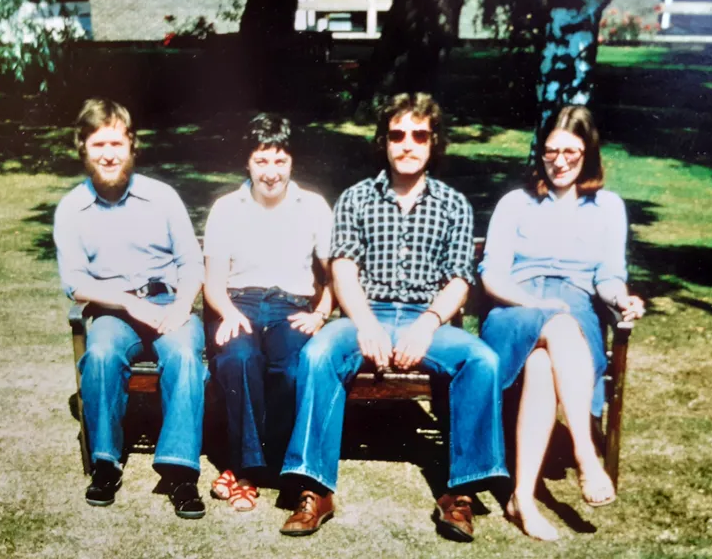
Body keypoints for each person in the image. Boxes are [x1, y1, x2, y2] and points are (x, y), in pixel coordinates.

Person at [278, 93, 507, 542]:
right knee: (318, 352)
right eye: (397, 134)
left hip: (428, 319)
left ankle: (460, 493)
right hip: (367, 312)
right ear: (384, 141)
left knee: (484, 361)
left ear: (432, 142)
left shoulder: (453, 204)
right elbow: (342, 268)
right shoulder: (357, 198)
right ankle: (313, 487)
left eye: (418, 135)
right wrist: (364, 323)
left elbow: (460, 279)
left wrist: (427, 325)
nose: (408, 144)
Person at [479, 105, 646, 541]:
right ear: (540, 153)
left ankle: (523, 498)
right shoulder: (515, 203)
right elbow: (492, 275)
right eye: (551, 151)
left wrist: (621, 298)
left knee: (541, 365)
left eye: (571, 151)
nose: (560, 160)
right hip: (515, 310)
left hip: (577, 313)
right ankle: (587, 457)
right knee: (556, 320)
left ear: (588, 153)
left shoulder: (607, 207)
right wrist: (537, 304)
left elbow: (609, 277)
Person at [53, 98, 208, 518]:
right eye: (98, 143)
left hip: (166, 302)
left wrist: (181, 305)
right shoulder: (71, 209)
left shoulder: (162, 197)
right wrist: (126, 302)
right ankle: (106, 463)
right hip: (113, 310)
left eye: (117, 144)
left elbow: (191, 261)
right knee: (100, 355)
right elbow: (76, 284)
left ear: (132, 146)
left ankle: (180, 473)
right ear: (82, 148)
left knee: (184, 355)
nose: (108, 154)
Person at [203, 114, 334, 512]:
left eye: (280, 161)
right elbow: (212, 282)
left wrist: (322, 312)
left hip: (289, 307)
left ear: (292, 162)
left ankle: (260, 465)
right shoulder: (226, 208)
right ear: (248, 162)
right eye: (262, 161)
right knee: (239, 358)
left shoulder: (313, 207)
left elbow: (335, 275)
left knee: (293, 368)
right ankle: (248, 473)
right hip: (236, 303)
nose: (271, 173)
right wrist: (226, 312)